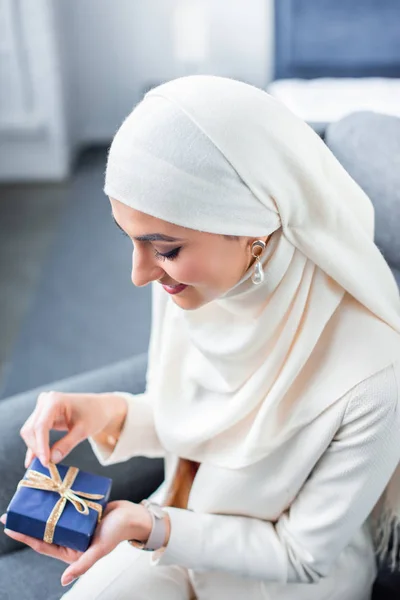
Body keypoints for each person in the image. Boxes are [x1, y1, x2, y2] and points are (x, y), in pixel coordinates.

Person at [1, 75, 400, 600]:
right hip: (176, 530)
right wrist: (109, 413)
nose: (139, 274)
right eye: (131, 240)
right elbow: (203, 422)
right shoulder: (189, 286)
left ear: (256, 229)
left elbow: (300, 554)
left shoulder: (373, 376)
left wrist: (153, 527)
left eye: (163, 248)